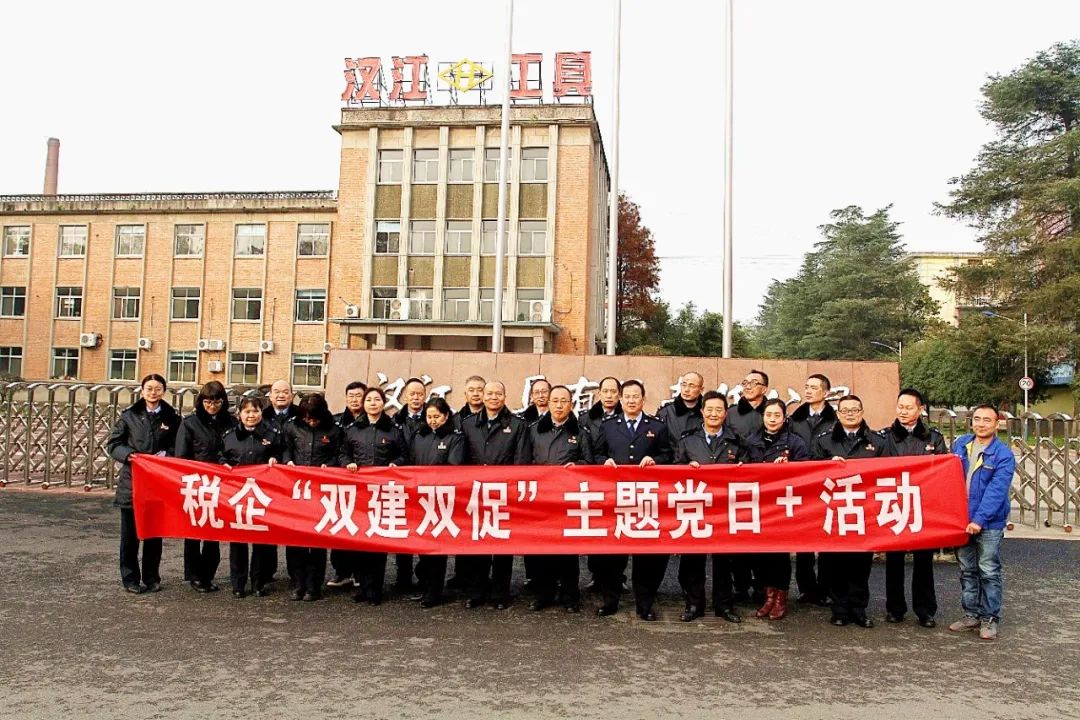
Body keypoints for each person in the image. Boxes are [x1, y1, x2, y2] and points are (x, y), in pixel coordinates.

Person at [593, 379, 673, 621]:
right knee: (611, 555)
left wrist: (655, 461)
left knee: (647, 556)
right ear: (620, 398)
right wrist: (602, 462)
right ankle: (610, 601)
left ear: (643, 399)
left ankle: (645, 604)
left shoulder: (657, 427)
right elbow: (596, 453)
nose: (630, 400)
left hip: (646, 498)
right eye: (626, 396)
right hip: (615, 498)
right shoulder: (608, 426)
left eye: (635, 396)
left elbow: (668, 454)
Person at [811, 394, 887, 628]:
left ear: (862, 412)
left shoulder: (877, 441)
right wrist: (827, 466)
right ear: (838, 413)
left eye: (855, 410)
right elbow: (810, 472)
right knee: (835, 561)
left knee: (861, 562)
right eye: (845, 410)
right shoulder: (824, 440)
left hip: (864, 511)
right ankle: (840, 608)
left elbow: (887, 473)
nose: (850, 414)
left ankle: (859, 609)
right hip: (834, 511)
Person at [673, 390, 747, 623]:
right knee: (693, 559)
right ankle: (694, 604)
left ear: (725, 413)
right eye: (710, 409)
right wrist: (686, 468)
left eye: (719, 410)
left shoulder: (736, 441)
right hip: (695, 506)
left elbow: (750, 471)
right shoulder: (688, 440)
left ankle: (724, 606)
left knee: (724, 561)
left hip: (725, 509)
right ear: (702, 412)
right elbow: (674, 470)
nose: (714, 414)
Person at [460, 380, 531, 609]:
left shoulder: (518, 425)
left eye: (497, 393)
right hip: (475, 493)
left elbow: (521, 460)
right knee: (477, 546)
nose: (492, 397)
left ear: (504, 396)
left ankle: (500, 595)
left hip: (504, 494)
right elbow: (460, 460)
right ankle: (476, 592)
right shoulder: (467, 423)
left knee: (502, 548)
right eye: (488, 393)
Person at [106, 374, 180, 594]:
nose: (153, 393)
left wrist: (167, 455)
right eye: (149, 388)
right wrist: (131, 456)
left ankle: (152, 577)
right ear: (142, 391)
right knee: (129, 536)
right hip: (133, 483)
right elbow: (114, 444)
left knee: (154, 534)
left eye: (158, 389)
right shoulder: (130, 416)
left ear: (164, 391)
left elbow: (180, 446)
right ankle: (130, 579)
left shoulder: (172, 418)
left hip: (159, 484)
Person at [881, 388, 948, 628]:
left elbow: (943, 472)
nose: (903, 411)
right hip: (893, 503)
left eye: (909, 407)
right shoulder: (884, 437)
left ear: (921, 410)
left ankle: (925, 610)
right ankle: (895, 608)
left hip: (923, 506)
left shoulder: (934, 438)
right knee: (894, 560)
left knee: (923, 561)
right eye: (900, 407)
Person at [948, 405, 1015, 641]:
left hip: (988, 523)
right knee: (967, 570)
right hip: (961, 520)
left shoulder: (1003, 454)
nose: (981, 424)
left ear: (997, 424)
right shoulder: (961, 445)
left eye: (987, 420)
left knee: (988, 570)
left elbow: (997, 491)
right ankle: (971, 614)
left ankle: (990, 618)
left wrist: (979, 519)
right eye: (977, 419)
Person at [524, 385, 593, 613]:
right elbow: (523, 463)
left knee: (567, 551)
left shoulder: (580, 432)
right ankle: (543, 594)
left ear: (571, 404)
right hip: (541, 498)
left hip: (567, 500)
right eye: (555, 401)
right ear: (547, 403)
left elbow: (589, 463)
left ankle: (570, 596)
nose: (559, 405)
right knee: (541, 550)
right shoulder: (534, 430)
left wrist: (578, 467)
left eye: (564, 401)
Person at [339, 386, 408, 606]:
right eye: (369, 400)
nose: (372, 403)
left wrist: (394, 464)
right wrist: (346, 463)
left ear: (383, 403)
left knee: (377, 543)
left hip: (383, 491)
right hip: (359, 492)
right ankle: (362, 586)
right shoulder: (353, 429)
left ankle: (375, 589)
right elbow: (343, 452)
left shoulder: (394, 429)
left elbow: (403, 455)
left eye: (377, 400)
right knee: (359, 542)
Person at [746, 398, 810, 620]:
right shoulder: (751, 441)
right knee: (760, 554)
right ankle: (768, 596)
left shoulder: (795, 443)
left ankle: (781, 598)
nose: (772, 419)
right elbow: (743, 470)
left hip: (783, 506)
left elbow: (807, 472)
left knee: (780, 554)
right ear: (762, 417)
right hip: (758, 505)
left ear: (784, 418)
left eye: (777, 415)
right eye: (768, 415)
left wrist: (788, 469)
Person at [174, 381, 234, 593]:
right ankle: (194, 575)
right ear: (201, 401)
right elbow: (181, 456)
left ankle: (207, 574)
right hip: (196, 483)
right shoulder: (190, 423)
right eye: (208, 401)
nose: (212, 406)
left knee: (213, 533)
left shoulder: (231, 422)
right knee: (193, 532)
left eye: (217, 401)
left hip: (222, 486)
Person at [282, 394, 343, 601]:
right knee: (295, 541)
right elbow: (286, 449)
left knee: (317, 541)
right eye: (307, 419)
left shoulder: (334, 429)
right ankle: (298, 583)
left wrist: (331, 465)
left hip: (321, 492)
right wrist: (288, 461)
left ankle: (313, 586)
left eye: (315, 418)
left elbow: (340, 454)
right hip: (297, 491)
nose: (311, 422)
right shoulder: (292, 427)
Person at [220, 396, 282, 598]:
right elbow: (220, 456)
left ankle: (258, 582)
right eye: (246, 411)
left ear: (261, 413)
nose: (251, 415)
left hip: (262, 495)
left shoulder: (272, 435)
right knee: (238, 542)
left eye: (255, 411)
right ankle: (238, 584)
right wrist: (223, 463)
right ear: (239, 414)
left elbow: (283, 454)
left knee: (261, 541)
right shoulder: (229, 436)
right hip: (237, 496)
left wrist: (276, 459)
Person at [407, 397, 466, 608]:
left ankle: (434, 592)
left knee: (437, 549)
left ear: (446, 416)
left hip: (441, 498)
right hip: (420, 497)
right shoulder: (419, 435)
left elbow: (454, 466)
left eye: (437, 417)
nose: (432, 421)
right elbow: (411, 462)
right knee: (422, 545)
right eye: (429, 417)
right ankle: (424, 586)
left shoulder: (455, 437)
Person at [788, 373, 837, 606]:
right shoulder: (795, 418)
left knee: (827, 537)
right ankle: (806, 589)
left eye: (814, 388)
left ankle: (826, 588)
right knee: (803, 539)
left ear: (826, 393)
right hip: (800, 483)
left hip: (827, 483)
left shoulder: (835, 419)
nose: (808, 391)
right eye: (806, 387)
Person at [579, 375, 622, 594]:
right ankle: (596, 575)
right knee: (596, 529)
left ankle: (619, 576)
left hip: (619, 482)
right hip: (593, 480)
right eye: (605, 391)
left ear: (619, 394)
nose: (609, 395)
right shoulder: (585, 419)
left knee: (619, 529)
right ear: (599, 394)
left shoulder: (627, 416)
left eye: (613, 391)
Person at [328, 380, 366, 589]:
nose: (354, 399)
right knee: (340, 527)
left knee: (361, 529)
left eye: (358, 395)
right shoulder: (335, 422)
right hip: (340, 482)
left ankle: (360, 573)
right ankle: (341, 571)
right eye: (350, 396)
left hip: (366, 484)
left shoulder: (373, 420)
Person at [392, 377, 428, 594]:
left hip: (426, 484)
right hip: (402, 484)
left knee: (425, 531)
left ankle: (424, 577)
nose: (416, 398)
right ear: (405, 396)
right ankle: (402, 577)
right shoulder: (396, 420)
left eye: (420, 394)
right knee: (402, 532)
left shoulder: (433, 417)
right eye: (412, 394)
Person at [657, 372, 705, 439]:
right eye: (684, 385)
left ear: (701, 389)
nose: (686, 390)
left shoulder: (707, 412)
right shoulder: (666, 412)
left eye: (691, 386)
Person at [727, 369, 769, 442]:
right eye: (745, 383)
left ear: (764, 389)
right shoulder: (730, 413)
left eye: (753, 383)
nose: (748, 387)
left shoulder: (772, 413)